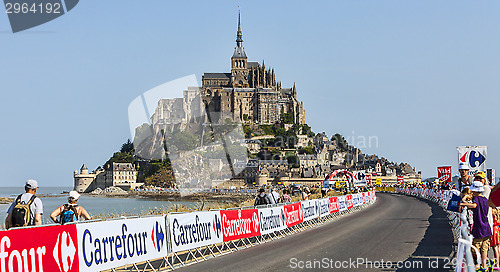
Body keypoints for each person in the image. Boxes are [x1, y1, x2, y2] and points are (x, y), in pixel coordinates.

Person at [460, 181, 493, 269]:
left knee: (476, 247)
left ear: (474, 190)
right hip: (486, 226)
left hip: (479, 226)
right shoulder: (485, 199)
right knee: (484, 248)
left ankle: (477, 264)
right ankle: (484, 265)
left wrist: (464, 203)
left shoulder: (477, 199)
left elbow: (475, 205)